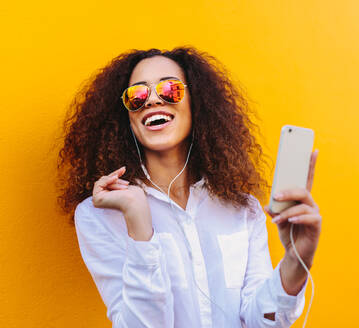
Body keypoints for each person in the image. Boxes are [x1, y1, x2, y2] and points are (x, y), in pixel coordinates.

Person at [57, 46, 322, 327]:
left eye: (170, 89)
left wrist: (296, 262)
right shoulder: (99, 215)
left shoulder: (243, 208)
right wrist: (139, 225)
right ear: (126, 116)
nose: (152, 100)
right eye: (137, 95)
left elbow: (262, 322)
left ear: (198, 103)